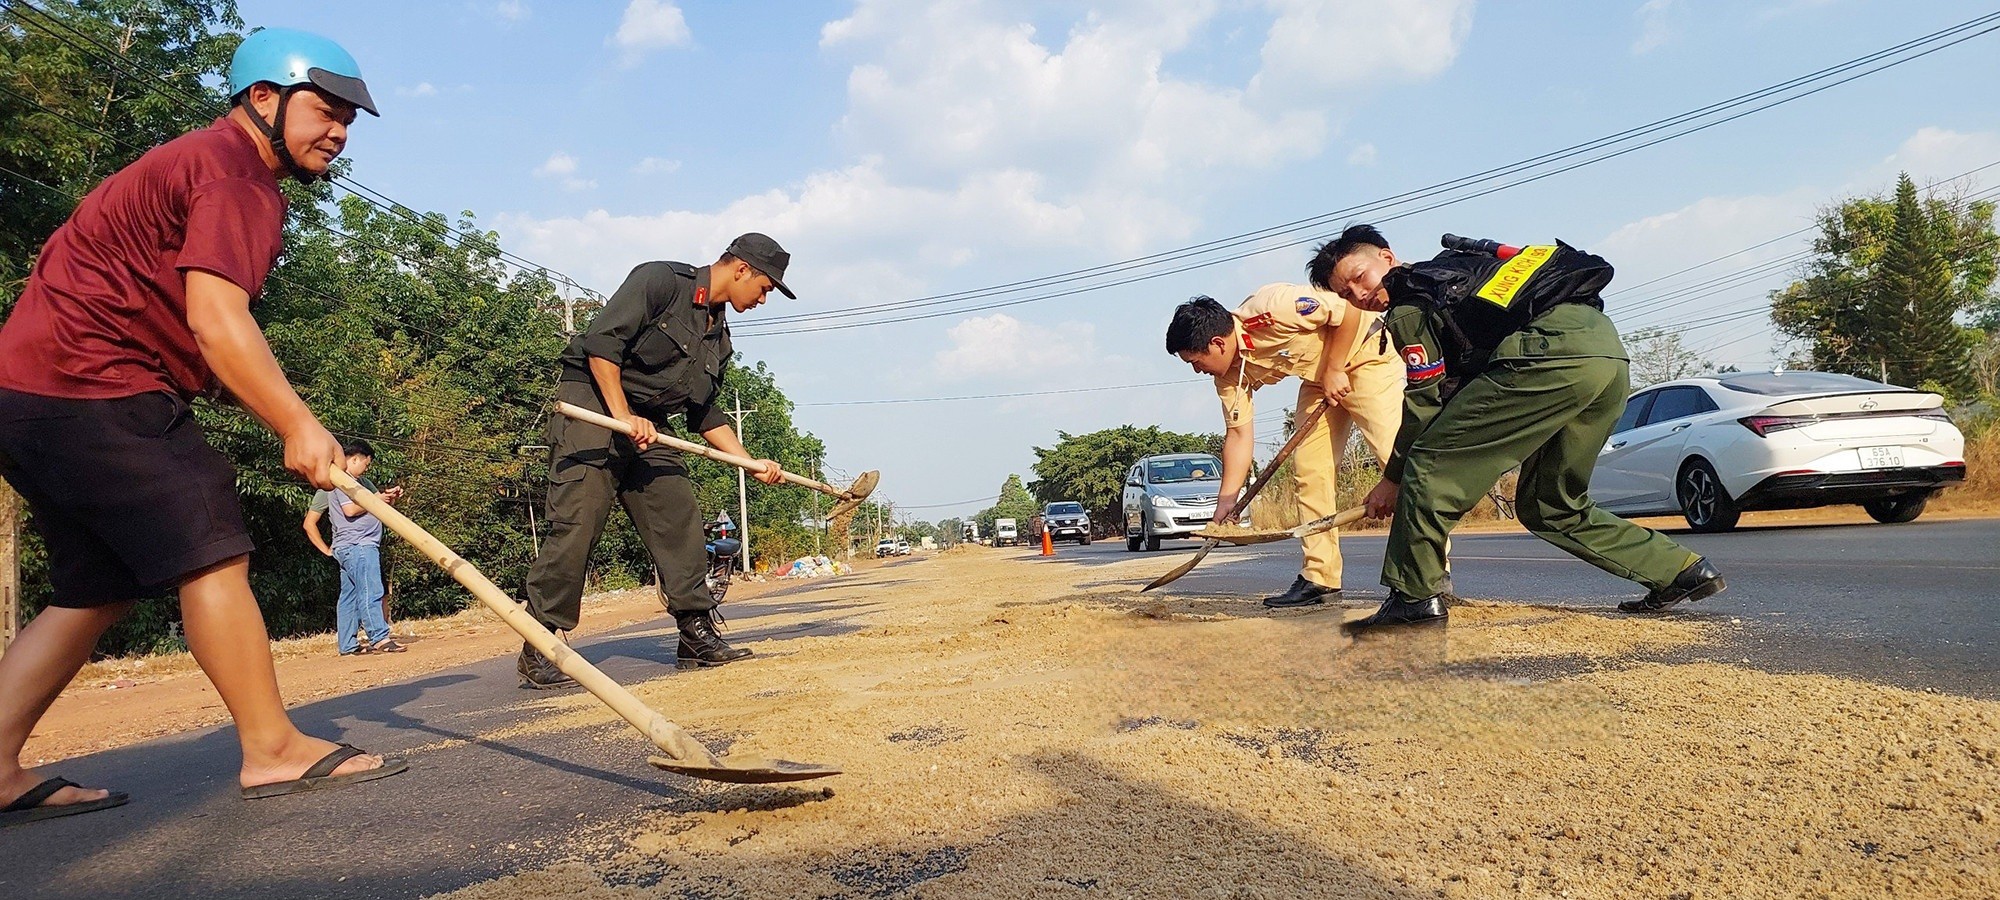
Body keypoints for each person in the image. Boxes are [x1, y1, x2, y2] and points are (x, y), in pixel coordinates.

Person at [0, 28, 406, 825]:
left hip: (28, 391)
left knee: (96, 587)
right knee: (210, 529)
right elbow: (218, 320)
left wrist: (244, 396)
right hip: (93, 383)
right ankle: (272, 748)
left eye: (350, 120)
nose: (339, 132)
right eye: (325, 111)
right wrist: (298, 422)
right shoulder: (236, 175)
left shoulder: (193, 161)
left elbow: (181, 323)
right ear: (264, 97)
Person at [1307, 225, 1725, 635]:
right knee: (1551, 504)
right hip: (1606, 357)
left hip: (1545, 357)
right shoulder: (1467, 271)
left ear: (1387, 257)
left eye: (1359, 279)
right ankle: (1680, 571)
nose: (1360, 296)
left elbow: (1423, 401)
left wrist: (1392, 478)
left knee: (1429, 465)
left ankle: (1413, 598)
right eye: (1346, 295)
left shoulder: (1410, 305)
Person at [517, 234, 793, 689]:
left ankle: (695, 633)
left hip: (648, 422)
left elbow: (703, 411)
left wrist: (749, 462)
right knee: (577, 522)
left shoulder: (718, 340)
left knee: (678, 513)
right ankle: (540, 642)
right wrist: (622, 416)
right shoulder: (661, 281)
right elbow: (602, 347)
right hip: (591, 403)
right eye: (765, 288)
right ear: (740, 268)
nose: (763, 299)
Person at [1165, 282, 1403, 608]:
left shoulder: (1273, 307)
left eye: (1195, 361)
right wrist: (1226, 503)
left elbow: (1347, 311)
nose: (1197, 370)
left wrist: (1335, 369)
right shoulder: (1226, 377)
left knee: (1396, 460)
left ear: (1217, 343)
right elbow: (1238, 435)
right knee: (1309, 471)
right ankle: (1321, 580)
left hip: (1366, 353)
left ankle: (1425, 576)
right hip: (1320, 379)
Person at [304, 439, 407, 655]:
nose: (366, 468)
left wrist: (387, 497)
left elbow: (372, 504)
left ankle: (348, 645)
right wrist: (374, 498)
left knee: (349, 596)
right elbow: (350, 510)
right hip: (359, 545)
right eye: (366, 464)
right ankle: (379, 637)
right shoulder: (343, 481)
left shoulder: (352, 482)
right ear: (355, 459)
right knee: (371, 590)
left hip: (349, 546)